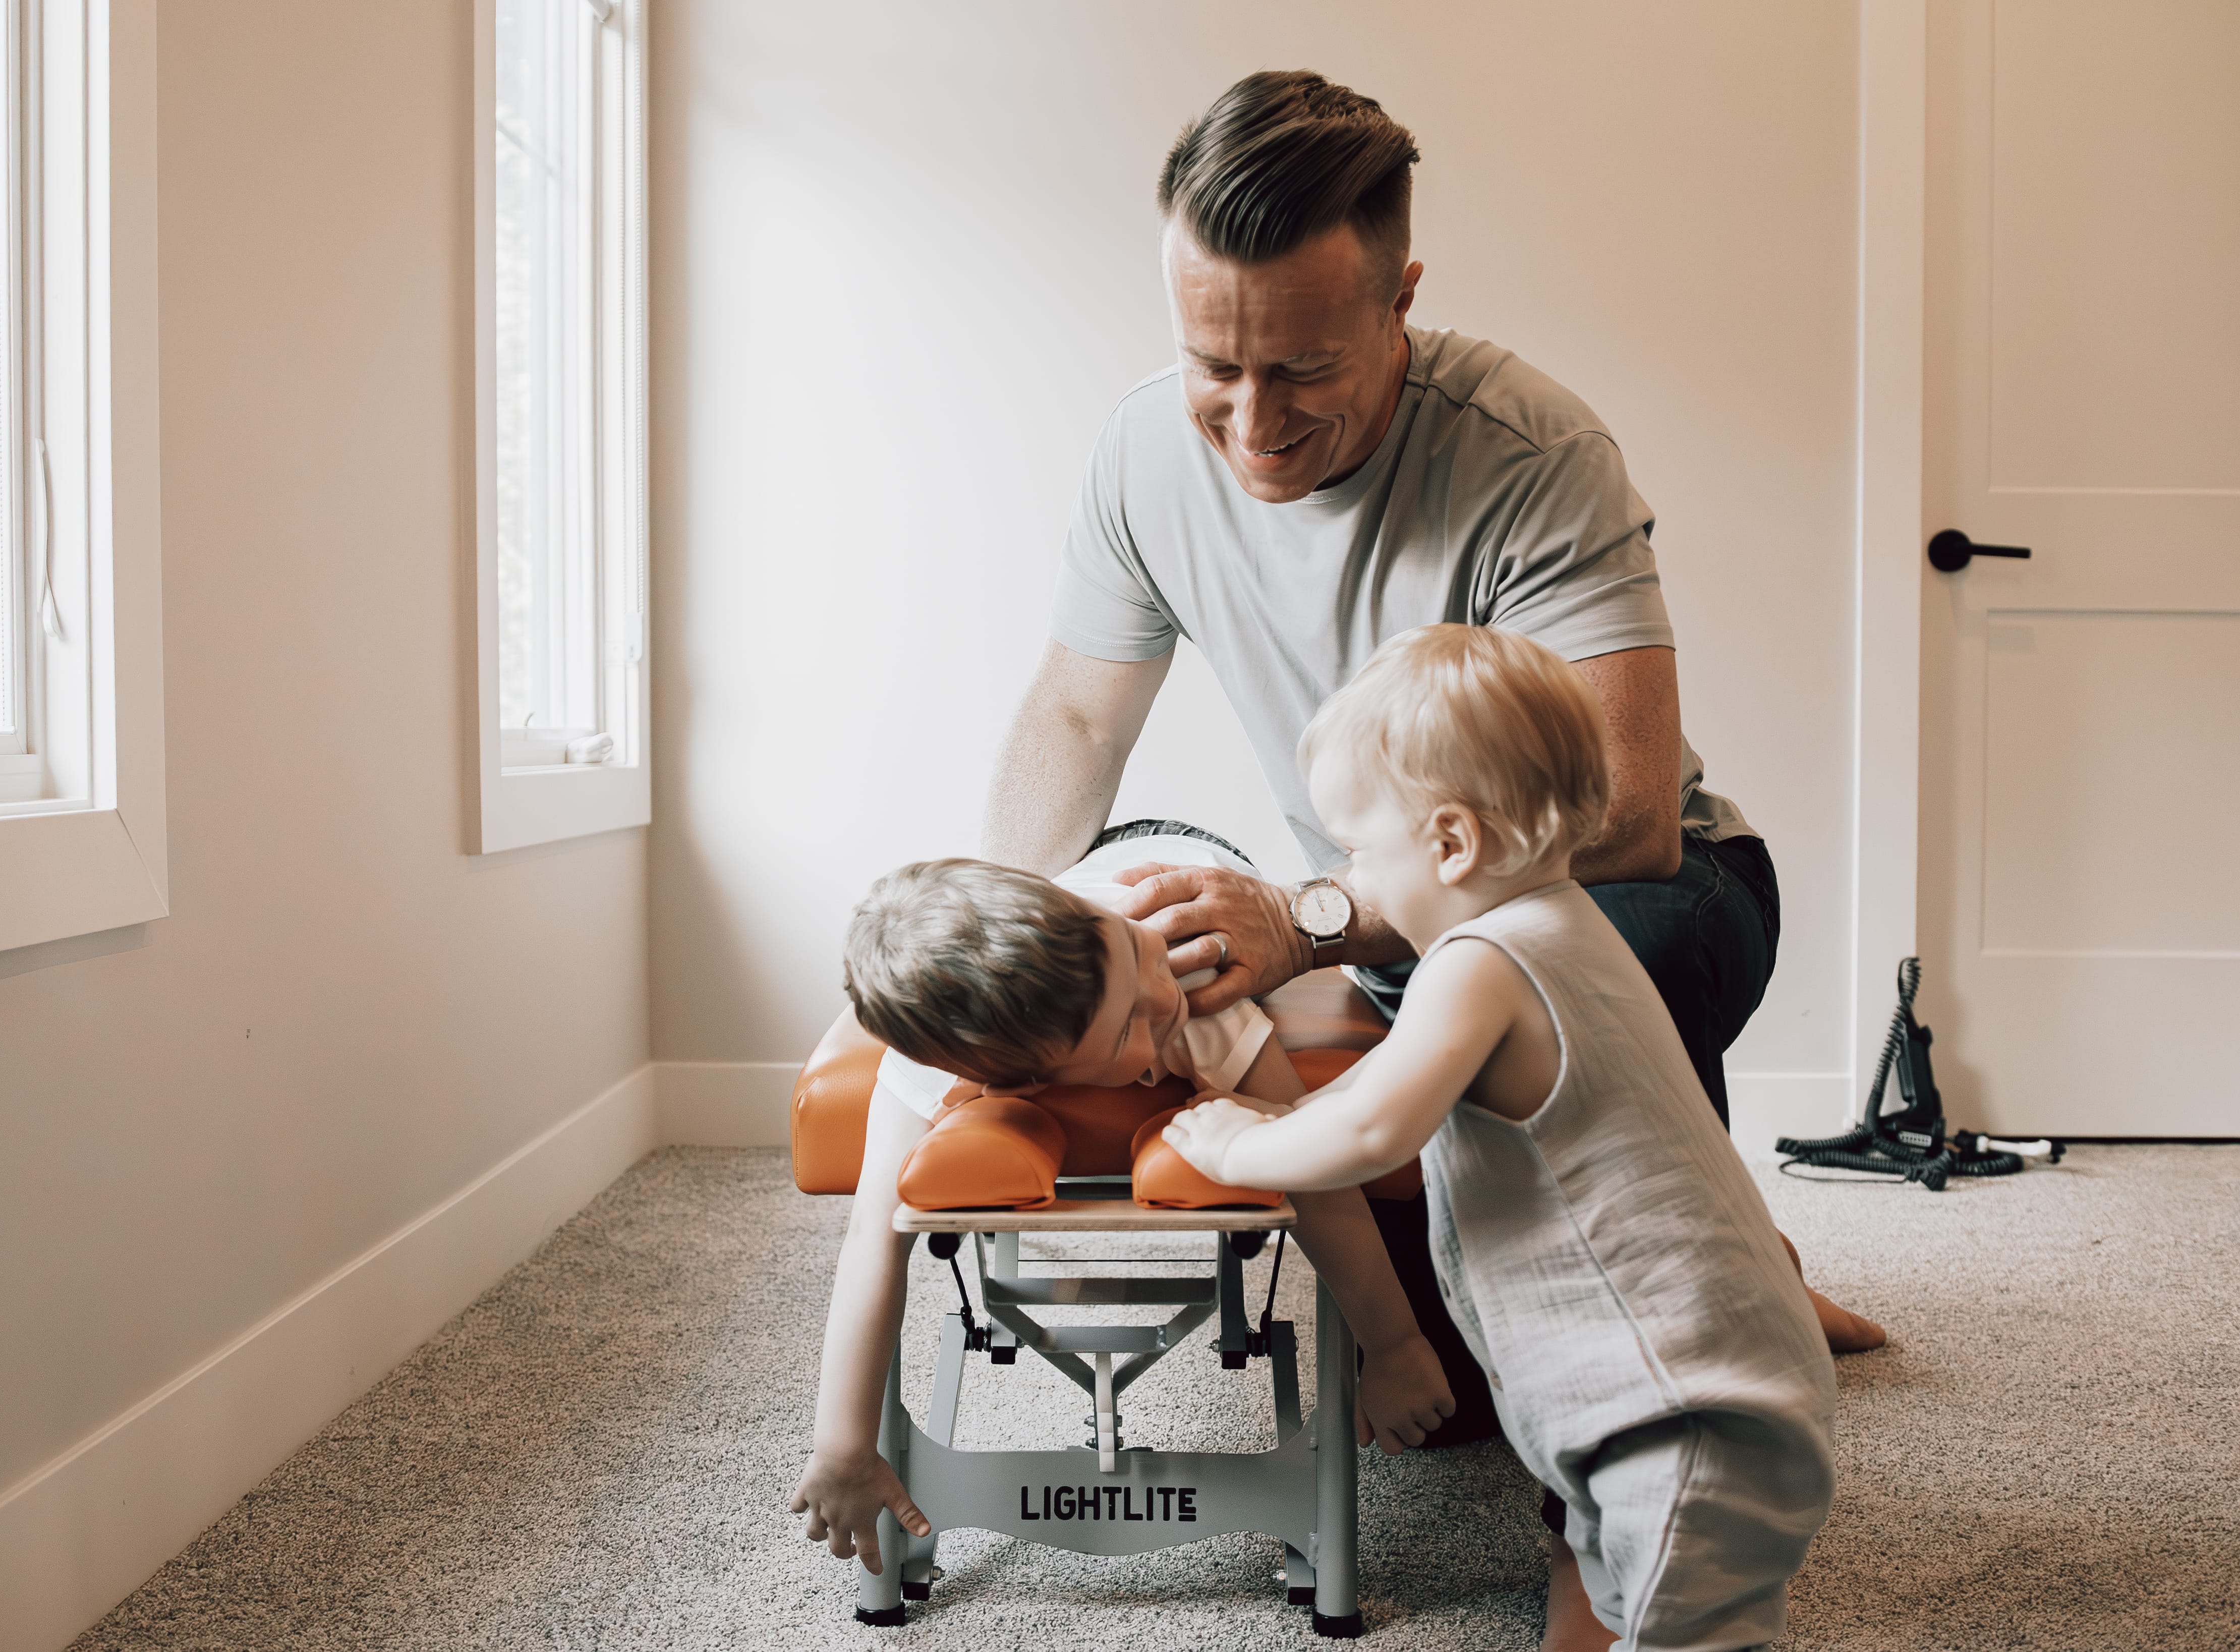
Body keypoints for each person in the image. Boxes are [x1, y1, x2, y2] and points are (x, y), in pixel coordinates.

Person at [981, 69, 1877, 1648]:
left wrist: (1315, 912)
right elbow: (1071, 714)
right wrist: (996, 937)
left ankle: (1596, 1516)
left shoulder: (1530, 449)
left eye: (1306, 367)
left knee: (1585, 945)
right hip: (1396, 914)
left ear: (1402, 298)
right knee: (1445, 1380)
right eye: (1213, 363)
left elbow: (1624, 809)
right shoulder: (1142, 456)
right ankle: (1747, 1253)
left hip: (1618, 889)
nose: (1252, 423)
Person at [1164, 626, 1836, 1651]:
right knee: (1629, 1610)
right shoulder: (1565, 925)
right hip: (1662, 1394)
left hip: (1683, 1413)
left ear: (1450, 844)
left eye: (1357, 851)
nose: (1350, 877)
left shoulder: (1480, 964)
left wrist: (1234, 1146)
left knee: (1693, 1631)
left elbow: (1374, 1123)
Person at [785, 829, 1457, 1576]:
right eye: (1128, 1032)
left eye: (1136, 965)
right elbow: (872, 1245)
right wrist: (842, 1446)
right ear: (1016, 1084)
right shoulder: (923, 1070)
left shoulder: (1189, 976)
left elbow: (1319, 1174)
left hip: (1181, 858)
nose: (1161, 1000)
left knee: (1161, 965)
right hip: (1077, 934)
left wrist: (1393, 1343)